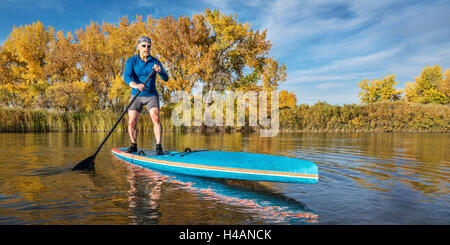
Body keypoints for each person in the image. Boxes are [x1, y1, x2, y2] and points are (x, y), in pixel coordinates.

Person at [123, 36, 169, 155]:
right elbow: (127, 77)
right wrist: (135, 85)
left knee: (156, 118)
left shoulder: (155, 61)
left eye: (148, 46)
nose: (146, 48)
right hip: (136, 95)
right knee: (132, 122)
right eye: (143, 45)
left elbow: (166, 78)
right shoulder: (131, 61)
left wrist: (160, 71)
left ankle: (158, 146)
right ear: (138, 47)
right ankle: (133, 145)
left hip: (151, 95)